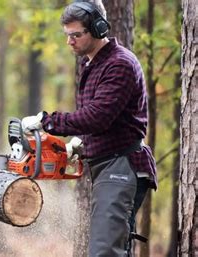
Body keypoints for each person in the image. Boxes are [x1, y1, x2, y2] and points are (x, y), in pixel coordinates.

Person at [21, 2, 157, 257]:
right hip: (107, 166)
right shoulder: (92, 64)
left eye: (76, 35)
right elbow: (107, 116)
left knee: (105, 252)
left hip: (121, 166)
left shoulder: (119, 64)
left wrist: (46, 121)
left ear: (98, 28)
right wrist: (80, 141)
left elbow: (98, 117)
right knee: (112, 248)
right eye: (67, 35)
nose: (70, 41)